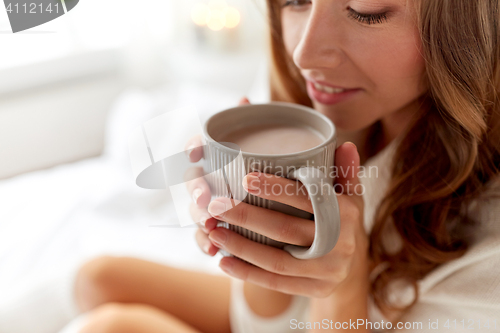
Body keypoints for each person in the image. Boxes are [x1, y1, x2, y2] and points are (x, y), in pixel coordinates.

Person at [5, 0, 499, 332]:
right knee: (98, 277)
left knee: (109, 328)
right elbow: (265, 322)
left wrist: (340, 277)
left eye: (364, 11)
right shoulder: (324, 105)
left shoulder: (488, 253)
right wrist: (247, 244)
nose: (305, 52)